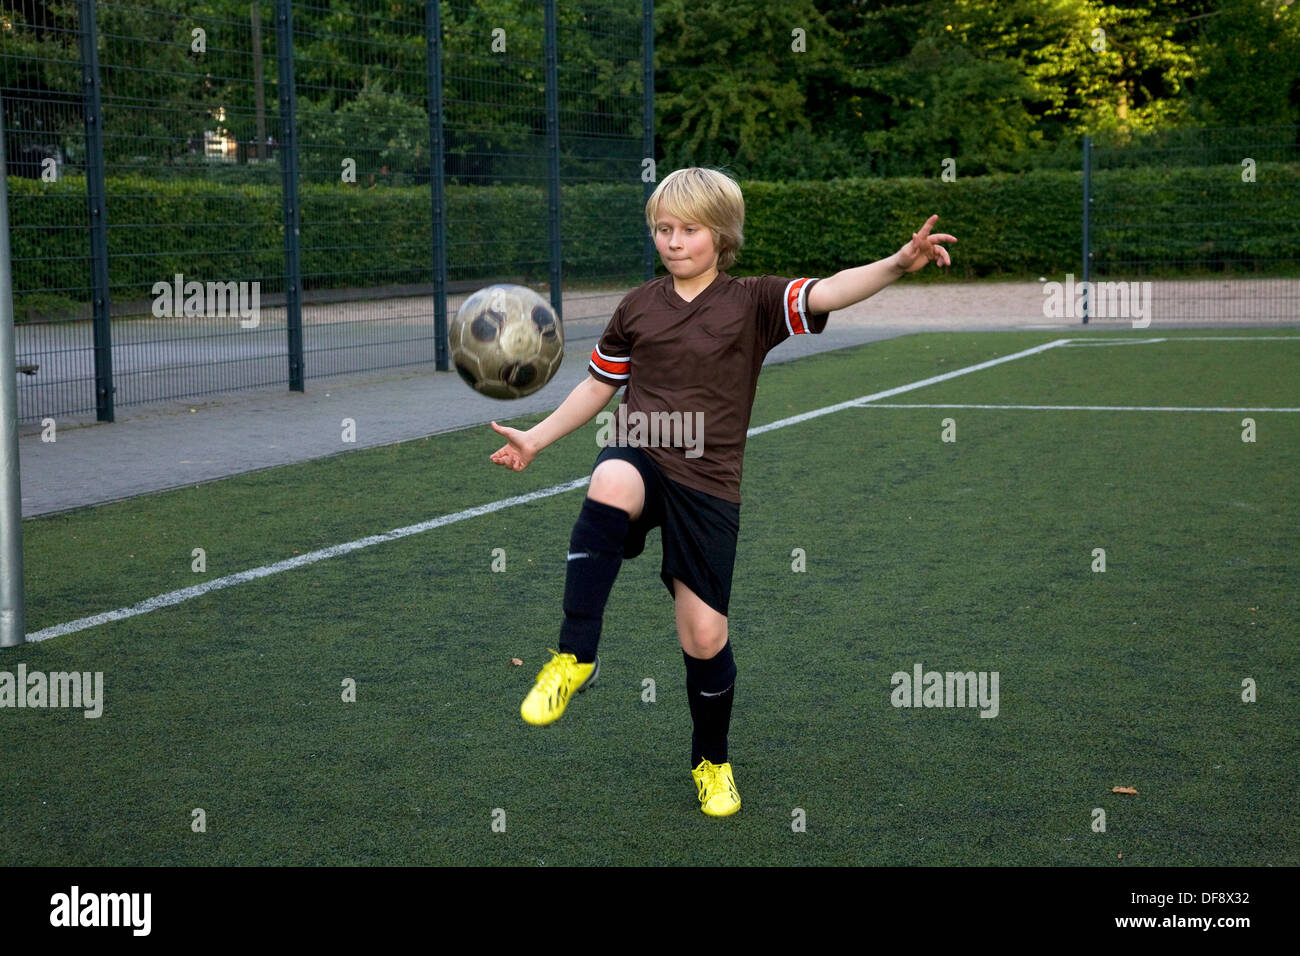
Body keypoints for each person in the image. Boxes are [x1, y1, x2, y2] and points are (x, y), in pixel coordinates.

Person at [488, 167, 955, 816]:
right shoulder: (636, 307)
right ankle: (575, 655)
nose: (673, 241)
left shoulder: (755, 302)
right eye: (662, 229)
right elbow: (599, 387)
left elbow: (830, 292)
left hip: (708, 485)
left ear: (722, 235)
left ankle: (711, 761)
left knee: (704, 635)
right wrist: (536, 439)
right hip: (643, 452)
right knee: (611, 475)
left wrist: (899, 263)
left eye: (688, 230)